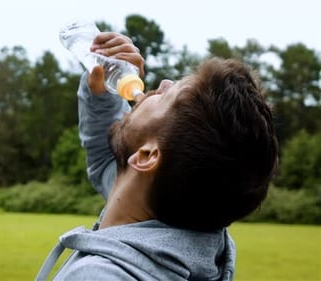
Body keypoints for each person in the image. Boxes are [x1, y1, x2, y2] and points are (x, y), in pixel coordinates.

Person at [36, 31, 278, 281]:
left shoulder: (97, 277)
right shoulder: (178, 224)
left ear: (146, 157)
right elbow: (108, 164)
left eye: (167, 96)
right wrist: (103, 90)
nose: (162, 83)